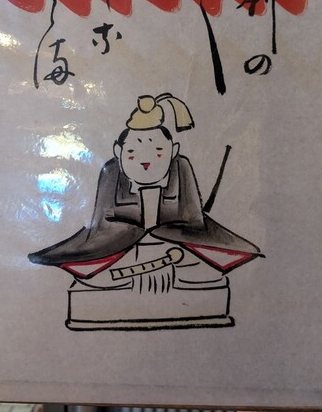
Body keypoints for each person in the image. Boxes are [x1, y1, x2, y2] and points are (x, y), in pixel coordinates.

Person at [28, 93, 262, 296]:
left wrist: (163, 248)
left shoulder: (181, 168)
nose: (145, 160)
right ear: (118, 151)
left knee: (206, 273)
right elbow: (102, 229)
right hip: (120, 250)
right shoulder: (111, 172)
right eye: (132, 151)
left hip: (176, 250)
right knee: (94, 276)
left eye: (158, 151)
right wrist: (139, 250)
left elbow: (194, 222)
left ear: (174, 150)